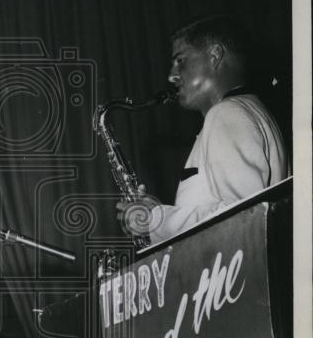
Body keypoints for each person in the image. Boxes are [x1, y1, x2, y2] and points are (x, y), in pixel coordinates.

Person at [118, 14, 288, 244]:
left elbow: (241, 220)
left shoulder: (227, 113)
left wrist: (157, 220)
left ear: (215, 55)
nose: (171, 75)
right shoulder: (248, 110)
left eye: (180, 61)